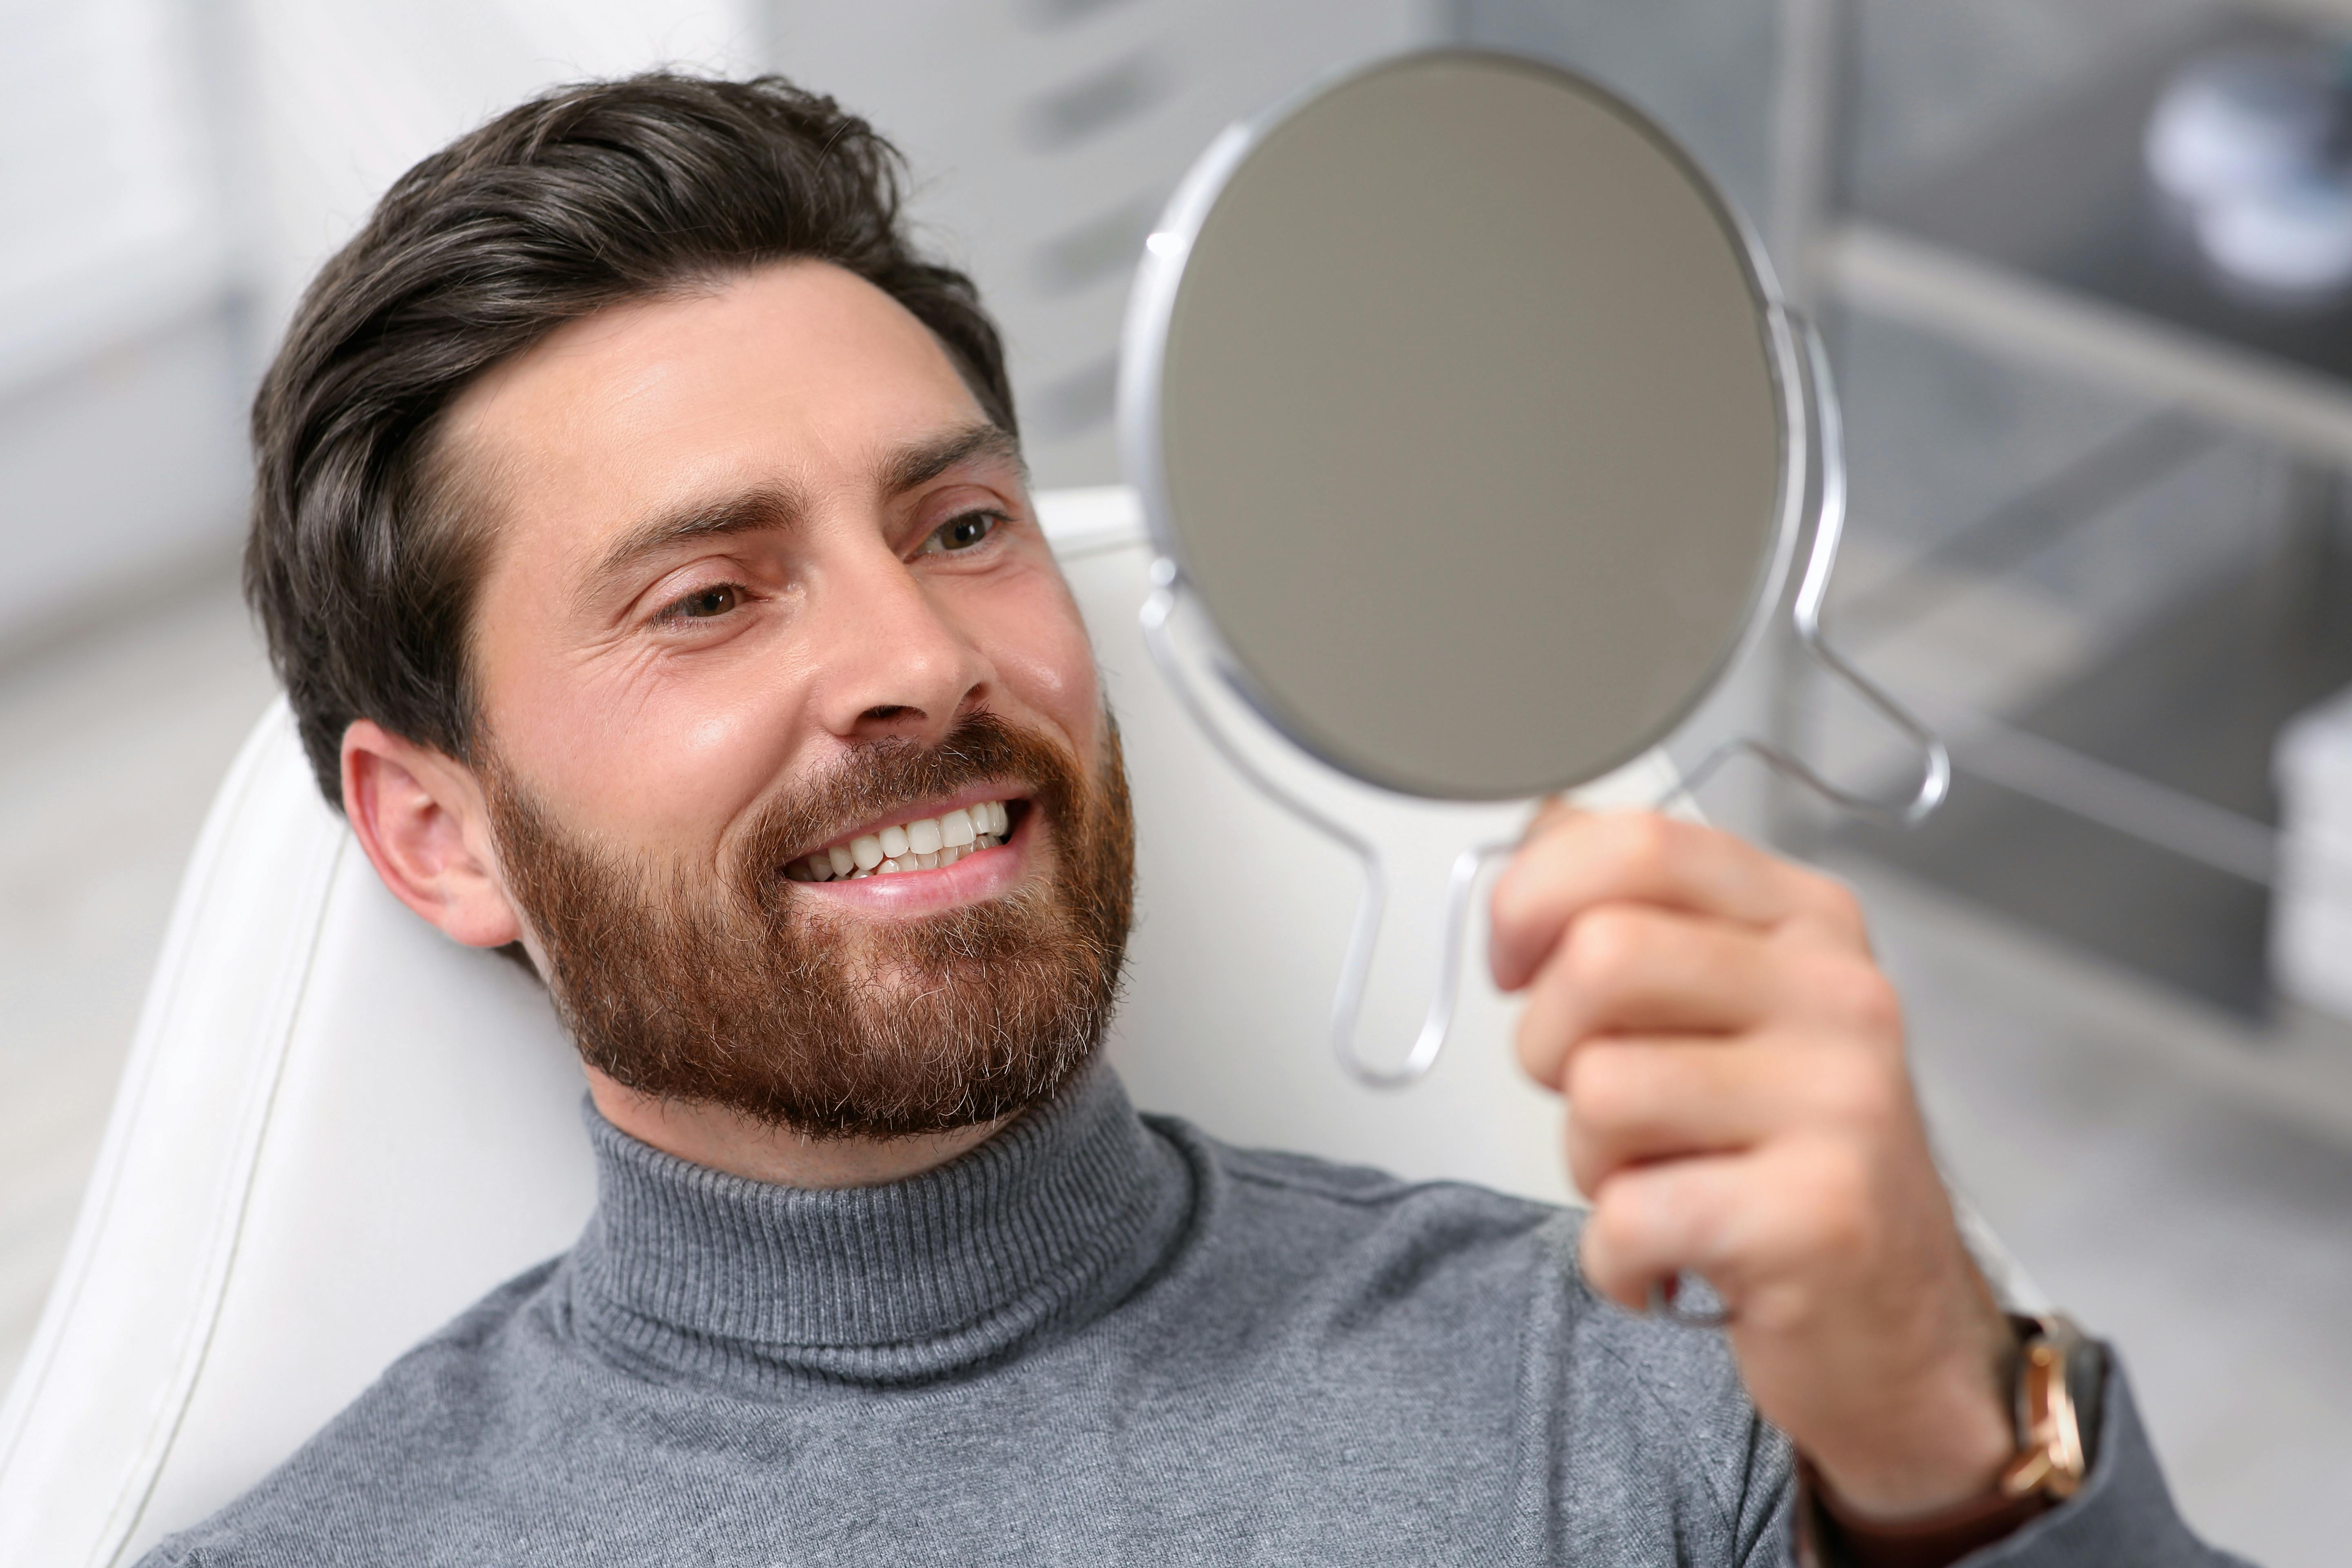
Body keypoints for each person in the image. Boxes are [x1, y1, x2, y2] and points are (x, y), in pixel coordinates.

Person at [145, 72, 2243, 1568]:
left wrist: (1959, 1459)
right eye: (711, 597)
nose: (922, 658)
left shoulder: (1648, 1400)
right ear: (441, 837)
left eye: (962, 525)